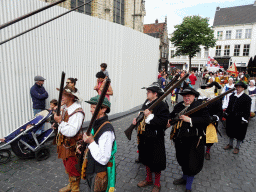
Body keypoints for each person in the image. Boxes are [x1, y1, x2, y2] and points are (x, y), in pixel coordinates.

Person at [168, 87, 210, 192]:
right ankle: (184, 178)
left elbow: (206, 120)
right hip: (180, 139)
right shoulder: (179, 106)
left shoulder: (200, 106)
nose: (187, 98)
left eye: (189, 96)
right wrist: (169, 120)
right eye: (185, 96)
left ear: (194, 96)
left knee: (192, 163)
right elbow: (172, 116)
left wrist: (190, 119)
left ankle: (188, 187)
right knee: (182, 159)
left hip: (194, 140)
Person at [135, 83, 169, 192]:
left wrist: (150, 116)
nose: (147, 93)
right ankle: (148, 179)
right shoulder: (147, 102)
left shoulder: (162, 105)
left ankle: (157, 184)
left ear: (155, 94)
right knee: (146, 159)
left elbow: (163, 123)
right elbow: (141, 114)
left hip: (156, 137)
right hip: (145, 136)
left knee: (156, 161)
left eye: (149, 92)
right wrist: (136, 120)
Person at [80, 95, 116, 192]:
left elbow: (104, 159)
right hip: (91, 167)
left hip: (98, 172)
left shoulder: (107, 131)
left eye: (94, 107)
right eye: (91, 107)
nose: (91, 110)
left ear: (103, 109)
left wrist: (90, 142)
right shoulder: (96, 123)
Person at [54, 86, 85, 192]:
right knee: (67, 166)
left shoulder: (77, 112)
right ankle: (71, 185)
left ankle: (75, 189)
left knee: (73, 168)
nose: (61, 97)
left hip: (72, 146)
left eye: (64, 95)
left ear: (71, 97)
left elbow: (71, 132)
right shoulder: (66, 108)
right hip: (64, 143)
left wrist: (60, 122)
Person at [223, 81, 251, 154]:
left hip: (240, 118)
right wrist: (226, 112)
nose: (238, 88)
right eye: (237, 87)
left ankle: (237, 147)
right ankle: (230, 144)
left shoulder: (247, 98)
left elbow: (247, 110)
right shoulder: (232, 96)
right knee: (230, 131)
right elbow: (229, 106)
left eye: (239, 87)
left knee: (240, 133)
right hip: (232, 117)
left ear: (243, 88)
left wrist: (245, 119)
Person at [197, 84, 222, 160]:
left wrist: (215, 117)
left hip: (211, 122)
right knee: (199, 136)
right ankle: (199, 149)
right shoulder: (200, 99)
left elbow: (219, 111)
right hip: (201, 121)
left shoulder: (216, 99)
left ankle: (207, 151)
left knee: (209, 138)